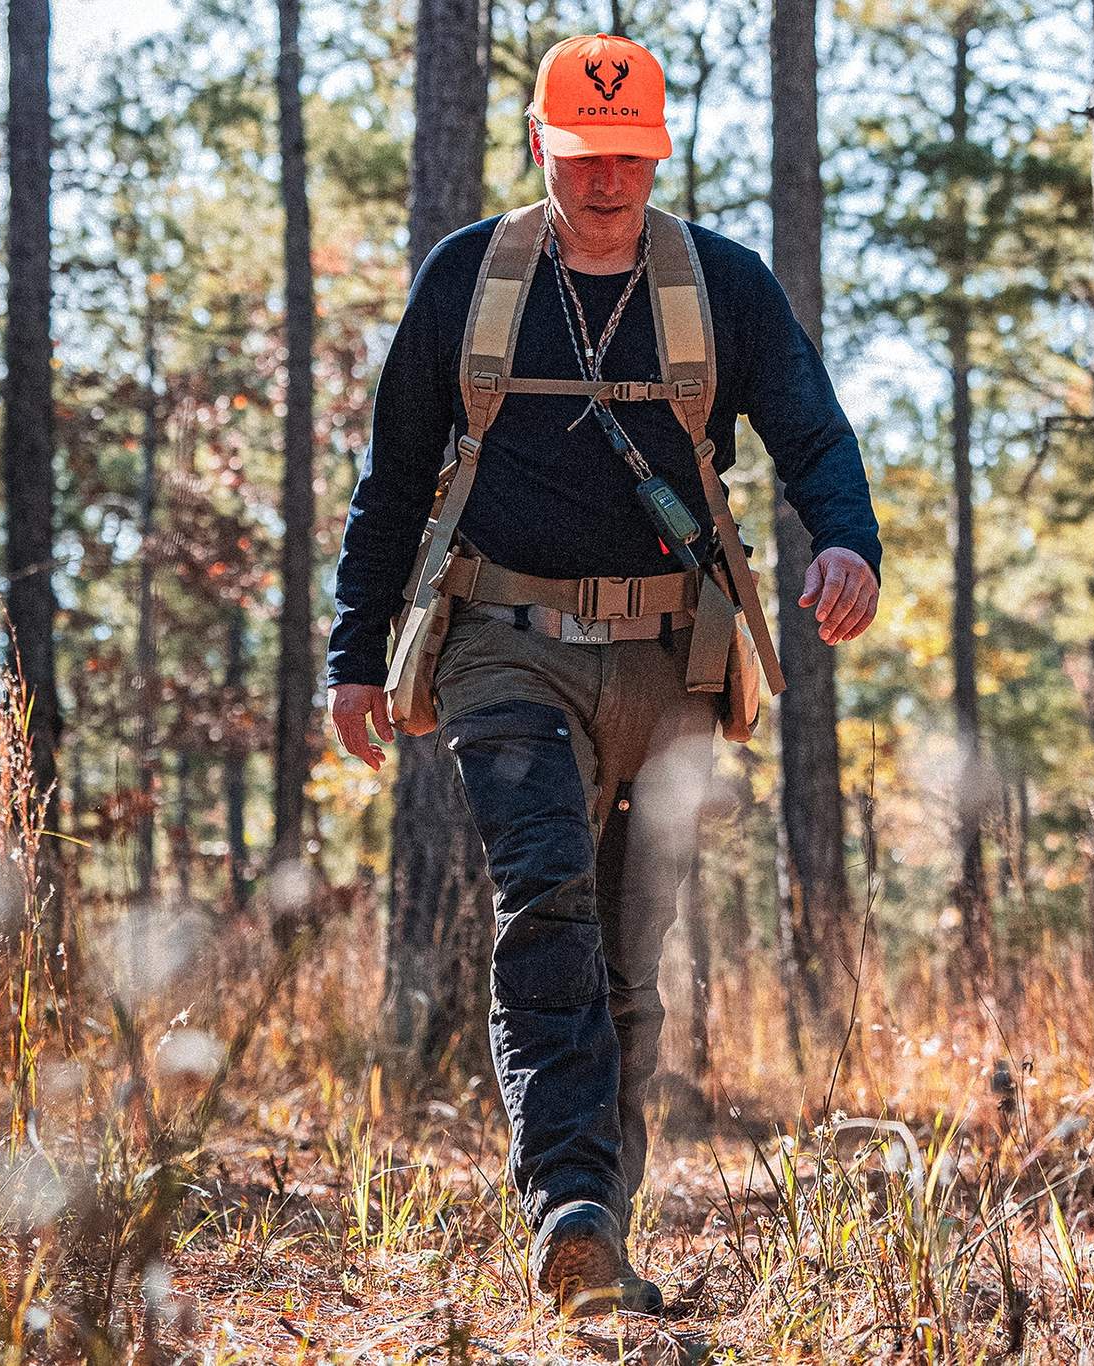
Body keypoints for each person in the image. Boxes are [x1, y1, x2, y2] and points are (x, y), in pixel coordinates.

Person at [325, 32, 881, 1314]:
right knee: (547, 904)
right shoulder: (470, 277)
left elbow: (811, 430)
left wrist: (844, 540)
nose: (609, 181)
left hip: (671, 660)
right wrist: (356, 654)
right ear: (540, 145)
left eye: (631, 156)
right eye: (584, 156)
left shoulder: (721, 284)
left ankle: (599, 1242)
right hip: (501, 646)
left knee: (631, 957)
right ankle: (567, 1201)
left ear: (660, 151)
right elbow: (394, 478)